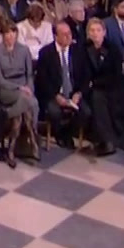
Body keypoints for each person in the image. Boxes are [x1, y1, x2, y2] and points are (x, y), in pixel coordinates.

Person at [82, 17, 124, 159]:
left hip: (112, 85)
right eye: (92, 30)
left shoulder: (112, 49)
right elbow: (82, 71)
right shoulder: (83, 48)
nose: (95, 33)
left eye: (98, 30)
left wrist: (96, 83)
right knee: (97, 98)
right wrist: (91, 84)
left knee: (118, 99)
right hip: (91, 88)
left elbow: (116, 72)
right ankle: (106, 140)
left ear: (104, 32)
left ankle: (118, 139)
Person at [35, 17, 88, 150]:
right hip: (54, 94)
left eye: (69, 34)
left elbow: (85, 77)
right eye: (64, 35)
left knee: (86, 112)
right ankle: (59, 134)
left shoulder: (78, 51)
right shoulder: (46, 53)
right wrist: (56, 96)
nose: (68, 37)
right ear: (55, 36)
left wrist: (79, 93)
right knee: (54, 112)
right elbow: (42, 80)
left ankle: (66, 134)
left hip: (73, 94)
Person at [0, 21, 38, 169]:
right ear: (3, 35)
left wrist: (29, 87)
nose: (10, 36)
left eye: (13, 33)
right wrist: (19, 88)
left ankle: (11, 149)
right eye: (7, 33)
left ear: (17, 34)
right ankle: (33, 138)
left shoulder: (24, 50)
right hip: (7, 89)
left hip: (24, 88)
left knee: (23, 107)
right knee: (30, 102)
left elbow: (29, 74)